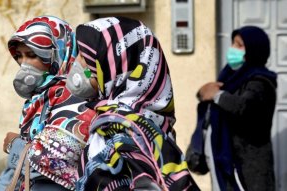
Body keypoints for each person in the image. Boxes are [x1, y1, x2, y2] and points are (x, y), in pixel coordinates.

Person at [65, 17, 199, 191]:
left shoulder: (124, 127)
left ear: (112, 63)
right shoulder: (129, 120)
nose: (77, 62)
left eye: (84, 56)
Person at [0, 16, 95, 191]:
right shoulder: (41, 96)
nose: (24, 63)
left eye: (32, 55)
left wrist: (14, 145)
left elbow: (54, 159)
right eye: (19, 56)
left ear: (58, 53)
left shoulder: (75, 96)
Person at [193, 26, 277, 190]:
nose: (233, 49)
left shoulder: (260, 82)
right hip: (226, 162)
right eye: (233, 43)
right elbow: (210, 102)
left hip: (249, 168)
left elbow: (244, 108)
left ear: (253, 51)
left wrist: (217, 95)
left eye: (239, 45)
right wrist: (203, 92)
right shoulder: (229, 78)